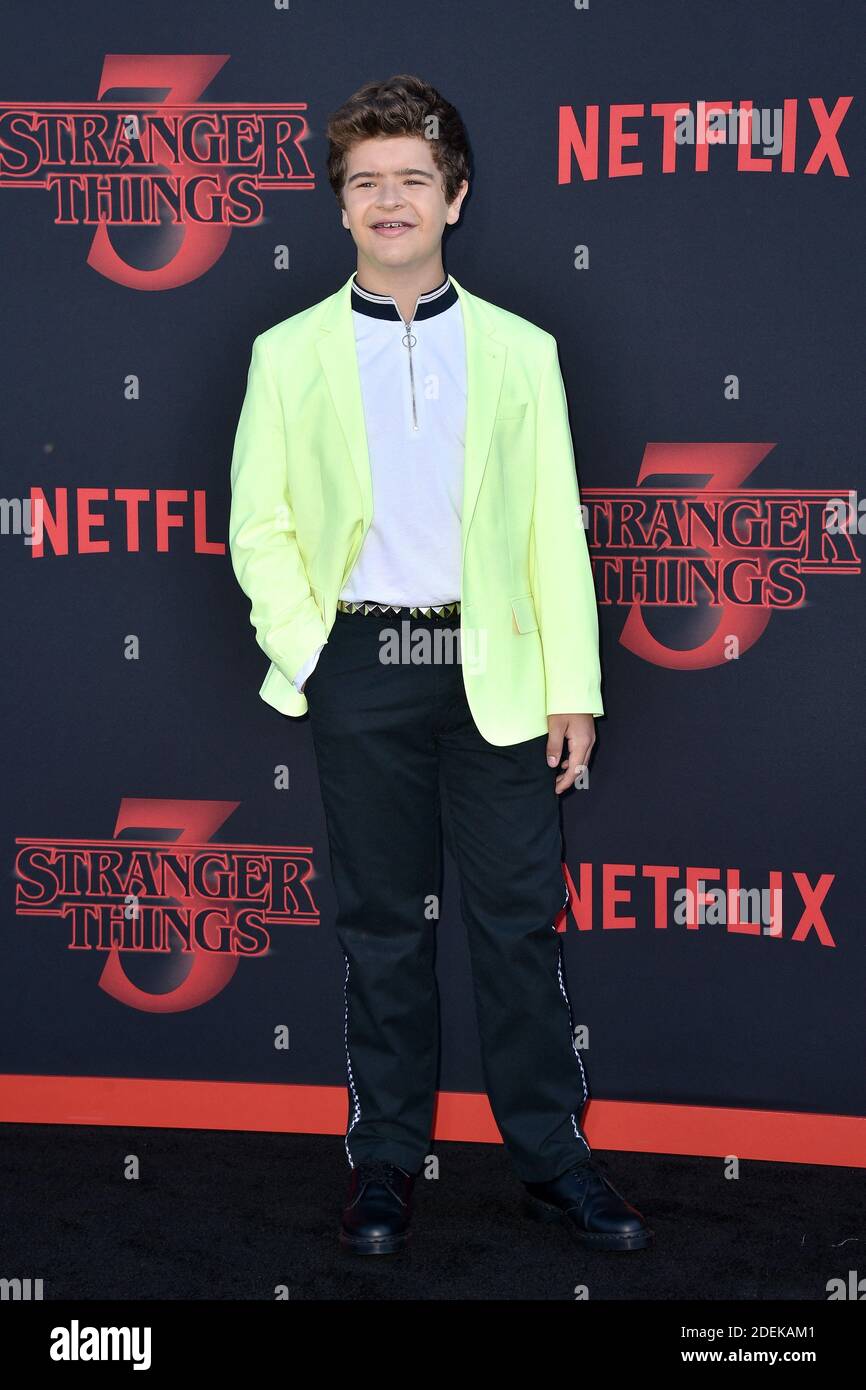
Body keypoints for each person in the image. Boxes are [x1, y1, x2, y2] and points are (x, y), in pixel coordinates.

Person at [229, 73, 652, 1256]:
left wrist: (575, 684)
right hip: (360, 657)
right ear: (340, 206)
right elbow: (255, 523)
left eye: (412, 178)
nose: (389, 199)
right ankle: (383, 1165)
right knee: (380, 925)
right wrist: (310, 649)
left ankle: (551, 1161)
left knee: (518, 923)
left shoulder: (520, 351)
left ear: (454, 197)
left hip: (499, 665)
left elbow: (549, 529)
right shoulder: (286, 352)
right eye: (365, 182)